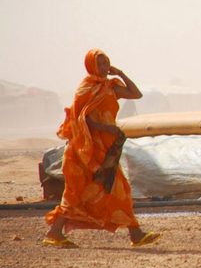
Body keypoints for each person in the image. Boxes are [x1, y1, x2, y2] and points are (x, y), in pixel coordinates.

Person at [43, 49, 160, 248]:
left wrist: (120, 74)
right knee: (77, 192)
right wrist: (104, 127)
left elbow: (136, 94)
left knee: (118, 187)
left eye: (107, 63)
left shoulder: (110, 87)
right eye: (101, 64)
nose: (105, 68)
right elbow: (79, 119)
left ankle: (135, 234)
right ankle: (54, 233)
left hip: (106, 150)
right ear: (91, 66)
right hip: (83, 150)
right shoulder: (86, 88)